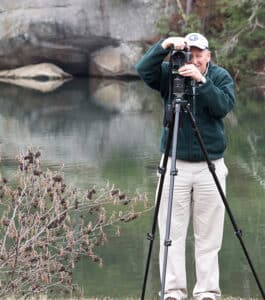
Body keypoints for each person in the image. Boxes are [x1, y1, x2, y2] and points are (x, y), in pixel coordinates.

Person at [135, 33, 236, 300]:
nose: (194, 59)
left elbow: (223, 106)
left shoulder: (219, 76)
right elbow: (143, 69)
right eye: (189, 53)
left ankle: (207, 292)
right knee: (170, 233)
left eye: (199, 54)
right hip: (173, 163)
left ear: (208, 55)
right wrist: (164, 46)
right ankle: (172, 292)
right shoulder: (170, 74)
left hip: (210, 165)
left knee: (208, 236)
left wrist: (202, 82)